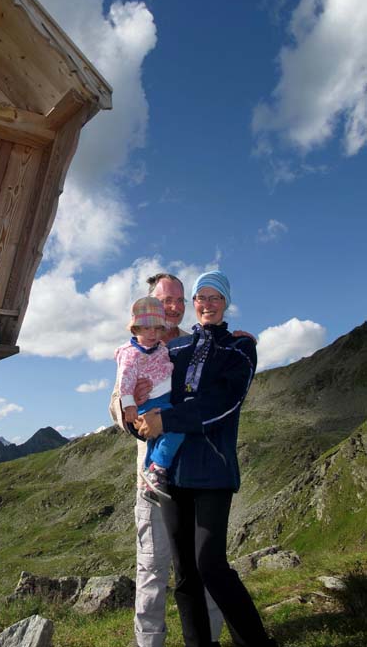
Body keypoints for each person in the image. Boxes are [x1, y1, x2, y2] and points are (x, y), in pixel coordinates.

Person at [136, 271, 278, 647]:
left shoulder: (239, 349)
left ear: (226, 302)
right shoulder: (175, 350)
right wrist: (139, 419)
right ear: (194, 304)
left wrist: (164, 420)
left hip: (213, 471)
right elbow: (150, 391)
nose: (207, 304)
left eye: (216, 297)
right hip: (173, 476)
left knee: (210, 565)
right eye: (201, 297)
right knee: (184, 573)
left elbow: (223, 405)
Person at [109, 274, 224, 647]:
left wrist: (240, 337)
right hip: (152, 474)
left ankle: (211, 638)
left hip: (195, 471)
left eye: (178, 299)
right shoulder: (136, 348)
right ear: (151, 305)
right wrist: (131, 414)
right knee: (152, 567)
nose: (173, 306)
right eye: (165, 300)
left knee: (204, 563)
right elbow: (115, 401)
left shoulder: (197, 343)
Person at [114, 296, 183, 499]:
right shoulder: (131, 354)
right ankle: (158, 467)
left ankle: (149, 480)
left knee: (155, 440)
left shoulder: (162, 348)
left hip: (165, 398)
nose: (152, 333)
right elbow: (124, 381)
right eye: (146, 328)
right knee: (176, 428)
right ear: (135, 330)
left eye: (157, 328)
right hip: (152, 403)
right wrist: (129, 405)